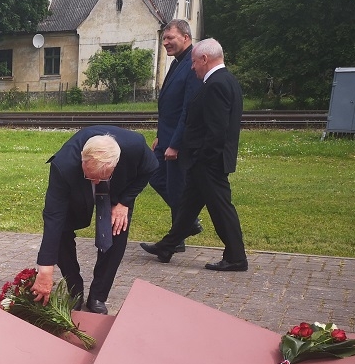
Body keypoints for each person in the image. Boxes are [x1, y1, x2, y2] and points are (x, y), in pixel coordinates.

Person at [140, 38, 248, 272]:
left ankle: (236, 257)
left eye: (194, 62)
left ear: (204, 59)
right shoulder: (226, 80)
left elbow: (216, 130)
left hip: (209, 162)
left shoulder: (216, 84)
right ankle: (167, 247)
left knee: (221, 209)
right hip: (206, 161)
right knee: (188, 206)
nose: (192, 67)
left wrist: (201, 157)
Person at [32, 127, 158, 315]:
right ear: (82, 159)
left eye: (102, 177)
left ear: (115, 164)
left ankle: (98, 296)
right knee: (61, 232)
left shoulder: (135, 147)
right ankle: (75, 288)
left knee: (117, 229)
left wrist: (124, 202)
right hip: (76, 188)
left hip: (119, 191)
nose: (96, 182)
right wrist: (45, 269)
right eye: (91, 176)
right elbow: (53, 217)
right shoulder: (64, 165)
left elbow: (151, 168)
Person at [145, 19, 203, 252]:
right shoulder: (177, 62)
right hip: (166, 137)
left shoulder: (191, 63)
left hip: (178, 141)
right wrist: (161, 135)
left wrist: (176, 143)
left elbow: (187, 109)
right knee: (156, 175)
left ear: (186, 37)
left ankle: (180, 232)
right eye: (164, 39)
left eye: (170, 38)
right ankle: (185, 225)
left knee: (175, 185)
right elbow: (170, 106)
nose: (165, 43)